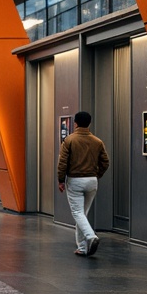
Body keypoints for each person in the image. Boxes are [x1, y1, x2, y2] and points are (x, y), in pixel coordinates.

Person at [57, 110, 110, 256]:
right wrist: (97, 175)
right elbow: (105, 162)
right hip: (92, 181)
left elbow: (62, 163)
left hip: (75, 181)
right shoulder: (97, 141)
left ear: (75, 123)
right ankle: (82, 248)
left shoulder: (69, 140)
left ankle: (91, 237)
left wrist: (61, 180)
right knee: (82, 214)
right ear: (89, 123)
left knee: (77, 212)